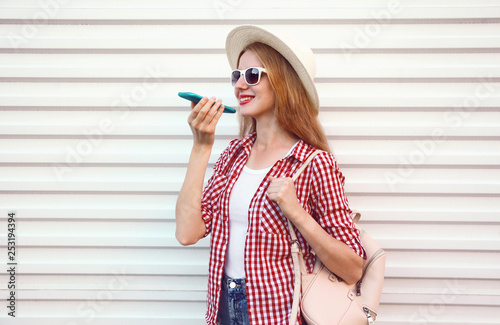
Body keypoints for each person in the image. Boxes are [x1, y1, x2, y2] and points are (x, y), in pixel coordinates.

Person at [175, 25, 366, 325]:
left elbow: (353, 268)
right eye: (236, 76)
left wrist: (297, 213)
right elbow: (187, 233)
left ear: (283, 81)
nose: (240, 85)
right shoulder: (233, 154)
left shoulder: (314, 163)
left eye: (252, 75)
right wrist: (201, 147)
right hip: (223, 306)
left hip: (278, 314)